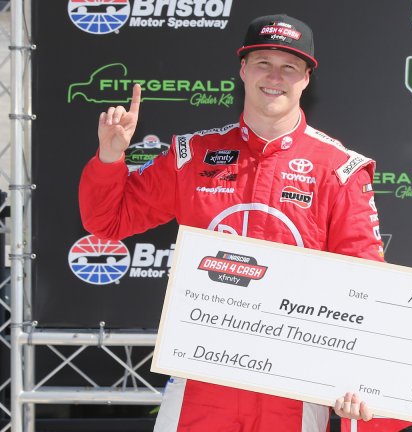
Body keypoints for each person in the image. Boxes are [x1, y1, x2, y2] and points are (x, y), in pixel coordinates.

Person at [79, 14, 380, 431]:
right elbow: (107, 221)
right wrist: (110, 158)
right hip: (201, 374)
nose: (274, 77)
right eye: (262, 63)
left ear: (306, 78)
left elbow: (365, 283)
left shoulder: (339, 169)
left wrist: (358, 377)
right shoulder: (192, 155)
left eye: (289, 67)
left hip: (292, 385)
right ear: (242, 69)